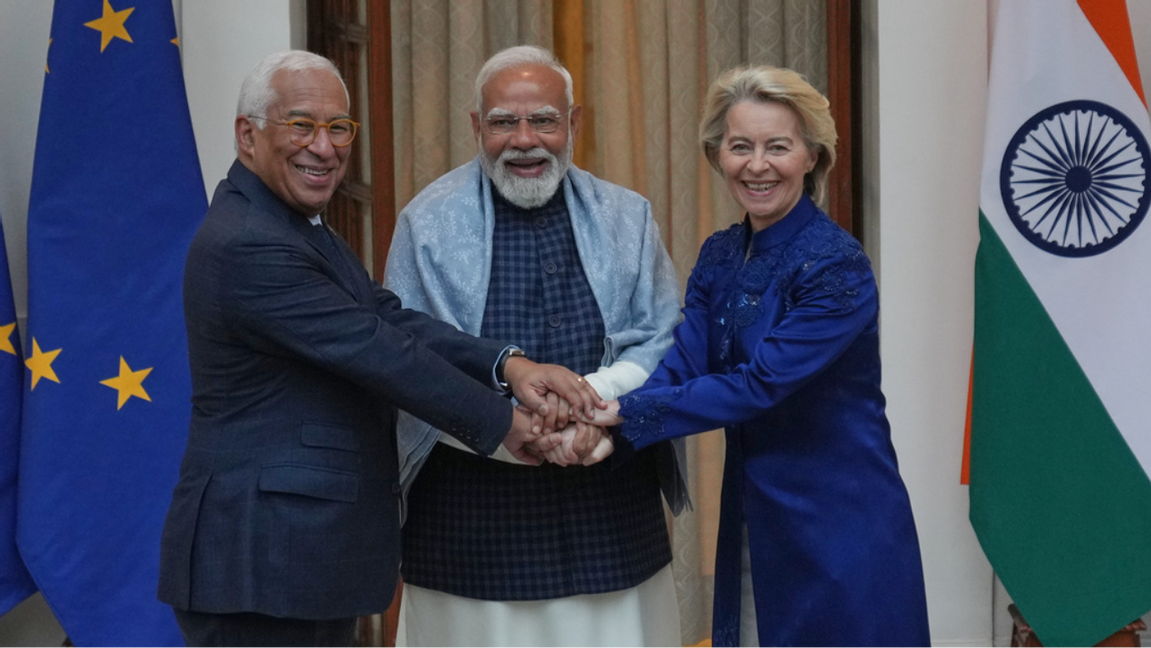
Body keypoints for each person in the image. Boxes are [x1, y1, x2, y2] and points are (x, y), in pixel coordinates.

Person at [156, 50, 599, 648]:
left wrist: (509, 364)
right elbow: (377, 351)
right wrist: (504, 424)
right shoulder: (249, 243)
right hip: (260, 563)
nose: (324, 146)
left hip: (298, 559)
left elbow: (385, 316)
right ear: (248, 135)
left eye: (339, 127)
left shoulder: (289, 221)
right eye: (301, 125)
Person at [591, 65, 931, 647]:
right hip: (756, 514)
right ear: (717, 155)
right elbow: (684, 363)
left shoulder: (836, 265)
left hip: (841, 521)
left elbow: (758, 385)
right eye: (739, 146)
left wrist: (621, 416)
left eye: (778, 147)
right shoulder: (722, 253)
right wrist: (604, 418)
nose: (757, 165)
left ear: (811, 157)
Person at [383, 45, 688, 648]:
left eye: (544, 120)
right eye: (503, 123)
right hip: (470, 530)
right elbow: (407, 361)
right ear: (476, 127)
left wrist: (595, 404)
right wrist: (506, 426)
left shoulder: (629, 217)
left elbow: (665, 338)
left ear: (573, 123)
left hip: (610, 514)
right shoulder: (427, 225)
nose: (525, 140)